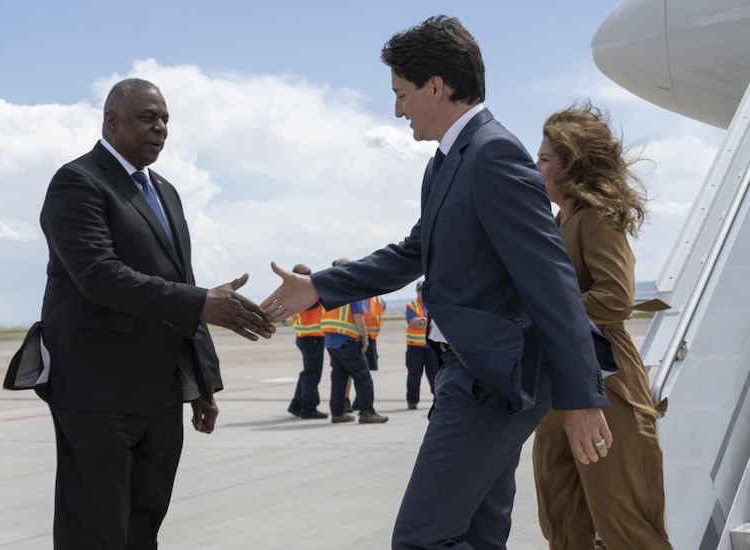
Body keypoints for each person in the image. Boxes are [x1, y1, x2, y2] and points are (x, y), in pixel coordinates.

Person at [261, 16, 613, 549]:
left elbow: (552, 280)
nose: (397, 109)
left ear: (436, 86)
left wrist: (582, 397)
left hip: (492, 380)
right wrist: (320, 287)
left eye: (401, 94)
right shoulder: (448, 163)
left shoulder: (493, 154)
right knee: (477, 534)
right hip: (465, 370)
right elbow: (413, 252)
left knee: (421, 538)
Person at [37, 78, 275, 549]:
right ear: (111, 121)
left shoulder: (164, 190)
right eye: (148, 117)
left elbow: (184, 283)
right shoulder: (78, 181)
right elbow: (99, 275)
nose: (161, 128)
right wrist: (203, 303)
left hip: (159, 393)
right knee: (96, 526)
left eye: (165, 119)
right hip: (97, 393)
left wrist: (202, 384)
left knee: (144, 522)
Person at [532, 103, 672, 549]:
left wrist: (545, 320)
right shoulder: (558, 222)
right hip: (560, 382)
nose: (536, 168)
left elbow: (614, 297)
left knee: (623, 519)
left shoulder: (596, 217)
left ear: (571, 166)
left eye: (545, 159)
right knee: (561, 514)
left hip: (606, 382)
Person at [321, 258, 389, 424]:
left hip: (331, 341)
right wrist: (365, 338)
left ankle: (338, 413)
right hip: (347, 340)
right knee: (363, 377)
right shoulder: (351, 289)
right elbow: (358, 316)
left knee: (339, 378)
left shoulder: (328, 290)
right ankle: (366, 412)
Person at [287, 263, 328, 419]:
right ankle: (308, 408)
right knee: (312, 374)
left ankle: (296, 404)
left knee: (307, 373)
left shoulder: (293, 291)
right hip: (312, 337)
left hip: (305, 336)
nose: (311, 275)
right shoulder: (304, 293)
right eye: (308, 273)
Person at [404, 280, 437, 410]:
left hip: (431, 346)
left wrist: (422, 321)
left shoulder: (434, 304)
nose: (422, 293)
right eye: (420, 291)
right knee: (414, 375)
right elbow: (412, 322)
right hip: (415, 347)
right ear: (417, 292)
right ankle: (412, 401)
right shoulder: (411, 305)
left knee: (434, 374)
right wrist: (428, 321)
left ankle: (438, 399)